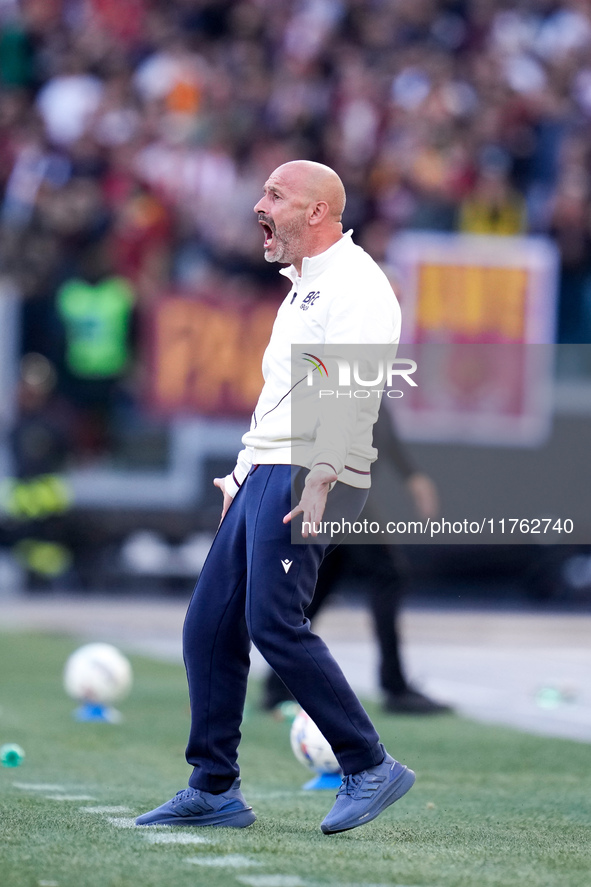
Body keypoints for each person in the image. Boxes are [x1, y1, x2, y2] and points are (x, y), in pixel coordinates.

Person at [135, 160, 415, 835]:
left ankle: (369, 764)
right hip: (269, 468)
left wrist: (326, 468)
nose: (257, 205)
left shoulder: (356, 284)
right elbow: (279, 399)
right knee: (209, 624)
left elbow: (360, 386)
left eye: (274, 195)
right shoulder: (302, 288)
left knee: (271, 622)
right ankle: (213, 787)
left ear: (316, 212)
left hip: (311, 470)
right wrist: (239, 473)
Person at [261, 406, 452, 716]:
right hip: (341, 493)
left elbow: (381, 428)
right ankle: (395, 687)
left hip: (339, 496)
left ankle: (277, 684)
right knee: (390, 574)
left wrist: (412, 475)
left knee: (318, 589)